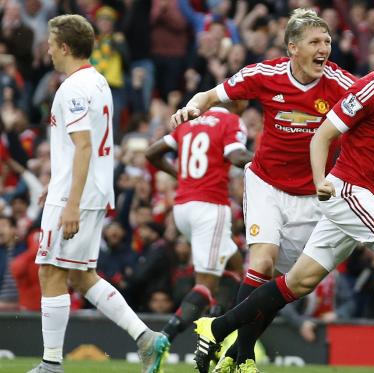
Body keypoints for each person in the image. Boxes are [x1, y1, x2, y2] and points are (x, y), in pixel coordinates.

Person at [192, 12, 374, 373]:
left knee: (299, 282)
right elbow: (324, 135)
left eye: (327, 41)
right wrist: (321, 179)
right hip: (342, 190)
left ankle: (217, 327)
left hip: (341, 194)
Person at [169, 8, 356, 372]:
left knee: (283, 287)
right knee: (262, 262)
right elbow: (209, 95)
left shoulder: (341, 83)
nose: (324, 49)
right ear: (292, 48)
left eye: (328, 41)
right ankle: (240, 353)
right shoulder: (264, 74)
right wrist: (190, 109)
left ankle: (238, 351)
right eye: (315, 42)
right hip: (266, 183)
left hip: (311, 196)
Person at [29, 15, 168, 373]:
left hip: (78, 193)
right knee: (81, 275)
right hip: (92, 188)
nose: (46, 47)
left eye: (50, 41)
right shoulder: (98, 81)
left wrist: (70, 201)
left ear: (63, 47)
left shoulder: (73, 87)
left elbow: (84, 146)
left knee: (50, 271)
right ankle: (145, 337)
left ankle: (50, 364)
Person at [145, 102, 252, 352]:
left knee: (236, 262)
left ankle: (215, 325)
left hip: (183, 208)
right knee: (206, 284)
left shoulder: (190, 123)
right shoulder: (231, 122)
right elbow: (236, 156)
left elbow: (152, 153)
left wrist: (180, 175)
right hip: (209, 207)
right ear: (238, 102)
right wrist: (271, 160)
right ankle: (162, 339)